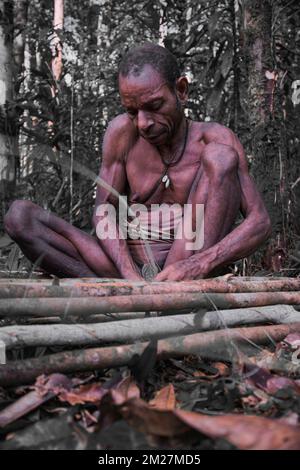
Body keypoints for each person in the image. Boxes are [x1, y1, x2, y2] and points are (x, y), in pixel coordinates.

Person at [4, 43, 271, 281]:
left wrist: (199, 264)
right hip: (122, 267)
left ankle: (168, 293)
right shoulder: (123, 133)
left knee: (221, 156)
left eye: (154, 106)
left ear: (181, 90)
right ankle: (124, 295)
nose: (143, 123)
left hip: (184, 263)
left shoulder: (214, 138)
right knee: (20, 217)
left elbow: (259, 222)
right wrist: (130, 275)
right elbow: (104, 211)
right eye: (132, 111)